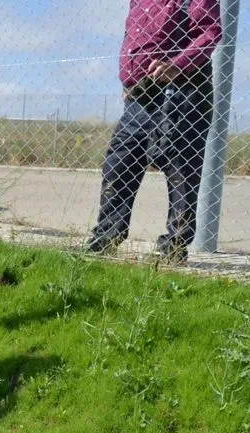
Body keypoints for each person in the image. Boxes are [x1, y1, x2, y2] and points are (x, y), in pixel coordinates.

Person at [85, 0, 221, 263]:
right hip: (140, 96)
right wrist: (129, 79)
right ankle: (106, 238)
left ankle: (173, 249)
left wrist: (178, 64)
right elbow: (134, 38)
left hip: (182, 93)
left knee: (181, 170)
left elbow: (209, 32)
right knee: (119, 163)